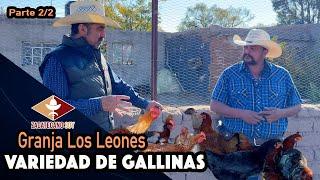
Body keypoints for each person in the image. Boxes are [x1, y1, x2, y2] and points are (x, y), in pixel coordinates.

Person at [39, 1, 162, 131]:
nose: (104, 34)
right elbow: (53, 111)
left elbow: (118, 85)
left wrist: (146, 104)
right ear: (82, 29)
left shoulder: (97, 55)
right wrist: (99, 104)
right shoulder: (57, 59)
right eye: (100, 28)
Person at [210, 29, 302, 145]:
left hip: (272, 147)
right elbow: (215, 105)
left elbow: (297, 106)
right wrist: (242, 114)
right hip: (236, 147)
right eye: (246, 47)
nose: (247, 51)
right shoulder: (229, 74)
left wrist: (280, 113)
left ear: (265, 52)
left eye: (252, 48)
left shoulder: (282, 75)